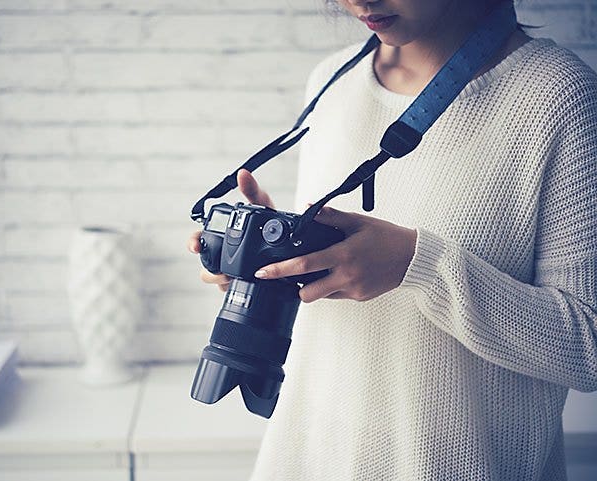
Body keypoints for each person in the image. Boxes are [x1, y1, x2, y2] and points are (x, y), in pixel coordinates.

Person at [187, 0, 597, 479]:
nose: (360, 1)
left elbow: (588, 348)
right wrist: (279, 260)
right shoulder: (331, 81)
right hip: (308, 458)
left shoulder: (561, 97)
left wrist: (418, 266)